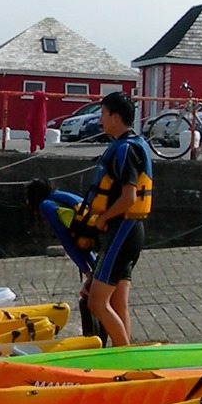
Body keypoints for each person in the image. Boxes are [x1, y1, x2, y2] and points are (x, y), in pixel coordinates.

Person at [75, 92, 155, 346]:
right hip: (127, 231)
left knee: (96, 301)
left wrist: (103, 219)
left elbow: (129, 197)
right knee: (118, 301)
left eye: (103, 114)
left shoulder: (126, 150)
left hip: (123, 231)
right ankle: (126, 357)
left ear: (116, 117)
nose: (100, 119)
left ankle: (123, 359)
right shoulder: (127, 145)